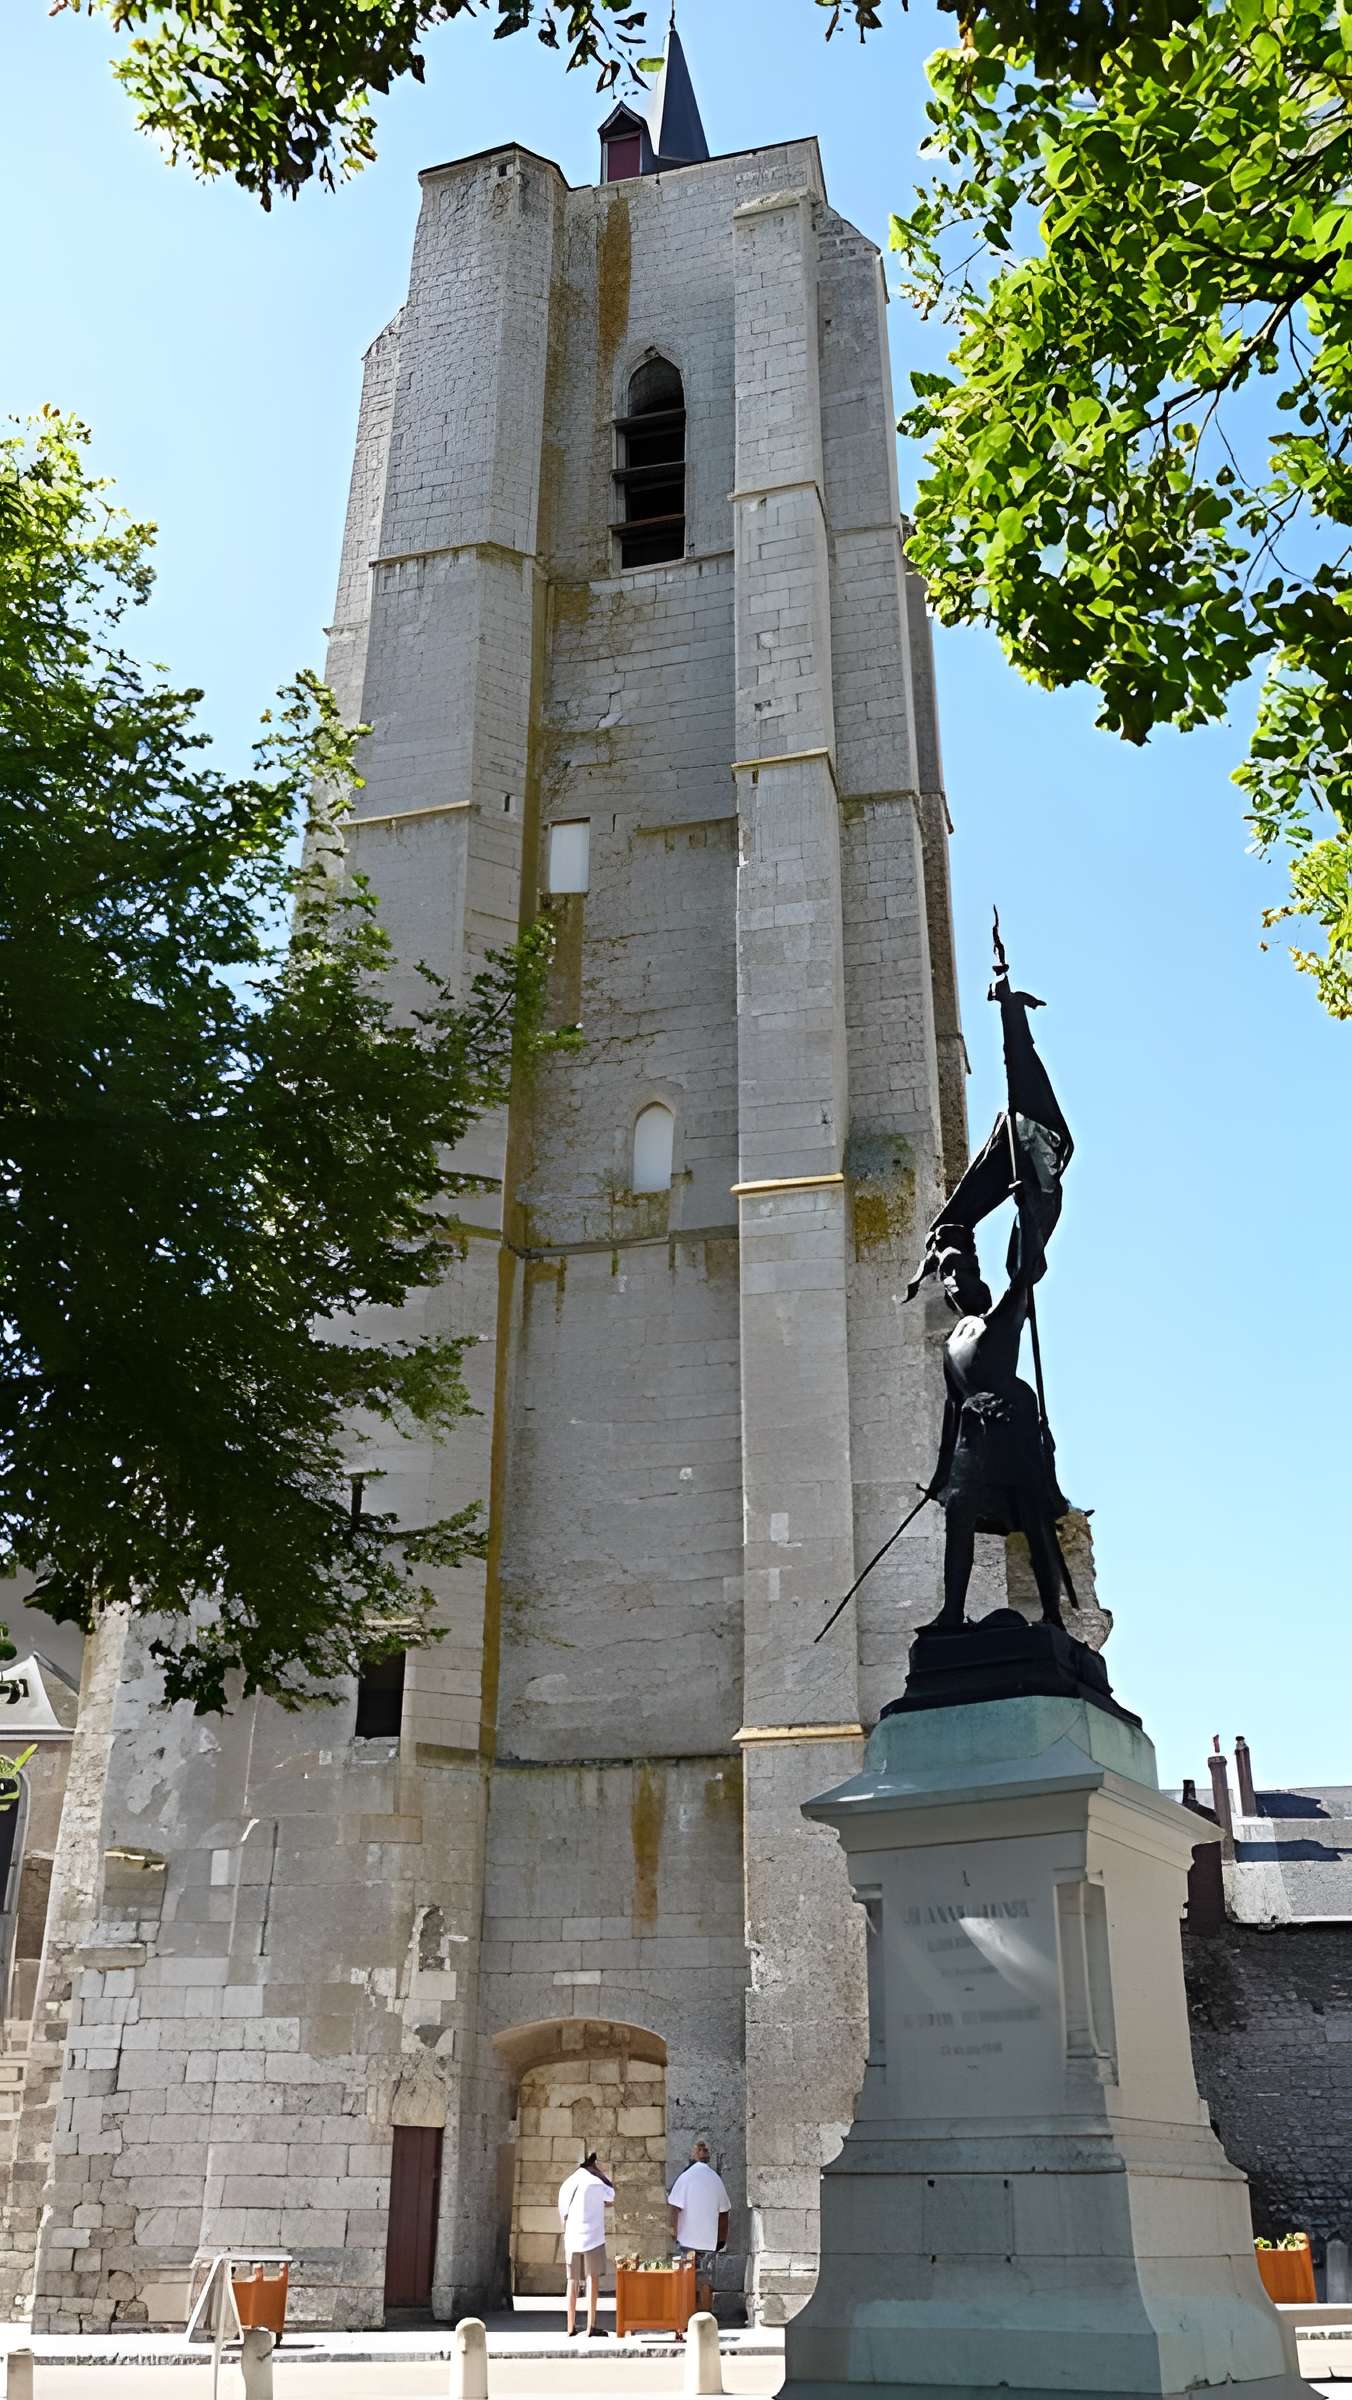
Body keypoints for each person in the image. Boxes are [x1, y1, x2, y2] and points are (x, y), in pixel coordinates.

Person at [926, 1221, 1073, 1629]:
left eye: (962, 1272)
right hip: (971, 1439)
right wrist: (942, 1473)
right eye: (948, 1275)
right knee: (959, 1516)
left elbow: (1024, 1272)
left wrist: (1028, 1211)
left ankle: (1052, 1615)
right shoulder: (952, 1341)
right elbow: (952, 1409)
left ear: (981, 1279)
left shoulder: (1002, 1316)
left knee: (1034, 1518)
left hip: (1011, 1427)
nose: (954, 1282)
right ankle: (952, 1613)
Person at [557, 2150, 614, 2338]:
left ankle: (570, 2326)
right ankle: (591, 2326)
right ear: (593, 2164)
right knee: (592, 2279)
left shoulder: (568, 2183)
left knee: (572, 2281)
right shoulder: (596, 2182)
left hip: (573, 2237)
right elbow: (611, 2196)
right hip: (593, 2237)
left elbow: (563, 2212)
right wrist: (601, 2174)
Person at [667, 2140, 731, 2303]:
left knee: (686, 2278)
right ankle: (705, 2314)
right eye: (701, 2149)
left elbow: (674, 2207)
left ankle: (687, 2312)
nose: (702, 2151)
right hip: (708, 2241)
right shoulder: (715, 2179)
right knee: (705, 2280)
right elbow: (724, 2212)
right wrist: (721, 2240)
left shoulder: (685, 2178)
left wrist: (674, 2232)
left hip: (687, 2240)